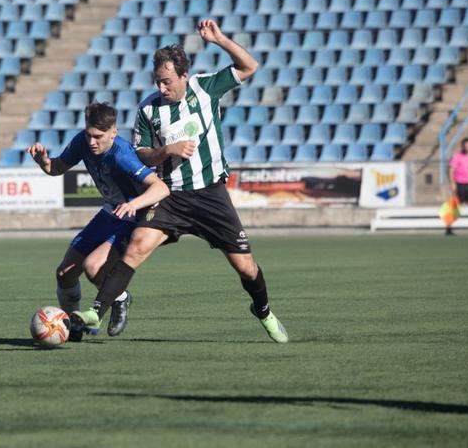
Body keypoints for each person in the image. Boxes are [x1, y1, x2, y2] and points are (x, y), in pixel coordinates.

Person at [70, 19, 289, 343]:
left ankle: (264, 311)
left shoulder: (206, 88)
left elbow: (249, 65)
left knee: (245, 267)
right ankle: (96, 312)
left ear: (184, 75)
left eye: (167, 81)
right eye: (157, 82)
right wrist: (166, 151)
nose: (161, 88)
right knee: (137, 246)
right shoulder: (148, 111)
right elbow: (142, 154)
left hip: (211, 194)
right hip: (172, 197)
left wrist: (219, 40)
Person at [27, 102, 169, 338]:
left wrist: (133, 204)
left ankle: (120, 297)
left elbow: (161, 188)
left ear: (114, 132)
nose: (92, 142)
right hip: (109, 213)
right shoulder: (82, 142)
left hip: (132, 216)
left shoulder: (123, 155)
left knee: (93, 268)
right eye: (89, 134)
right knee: (64, 273)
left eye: (99, 137)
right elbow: (57, 167)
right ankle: (73, 327)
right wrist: (43, 161)